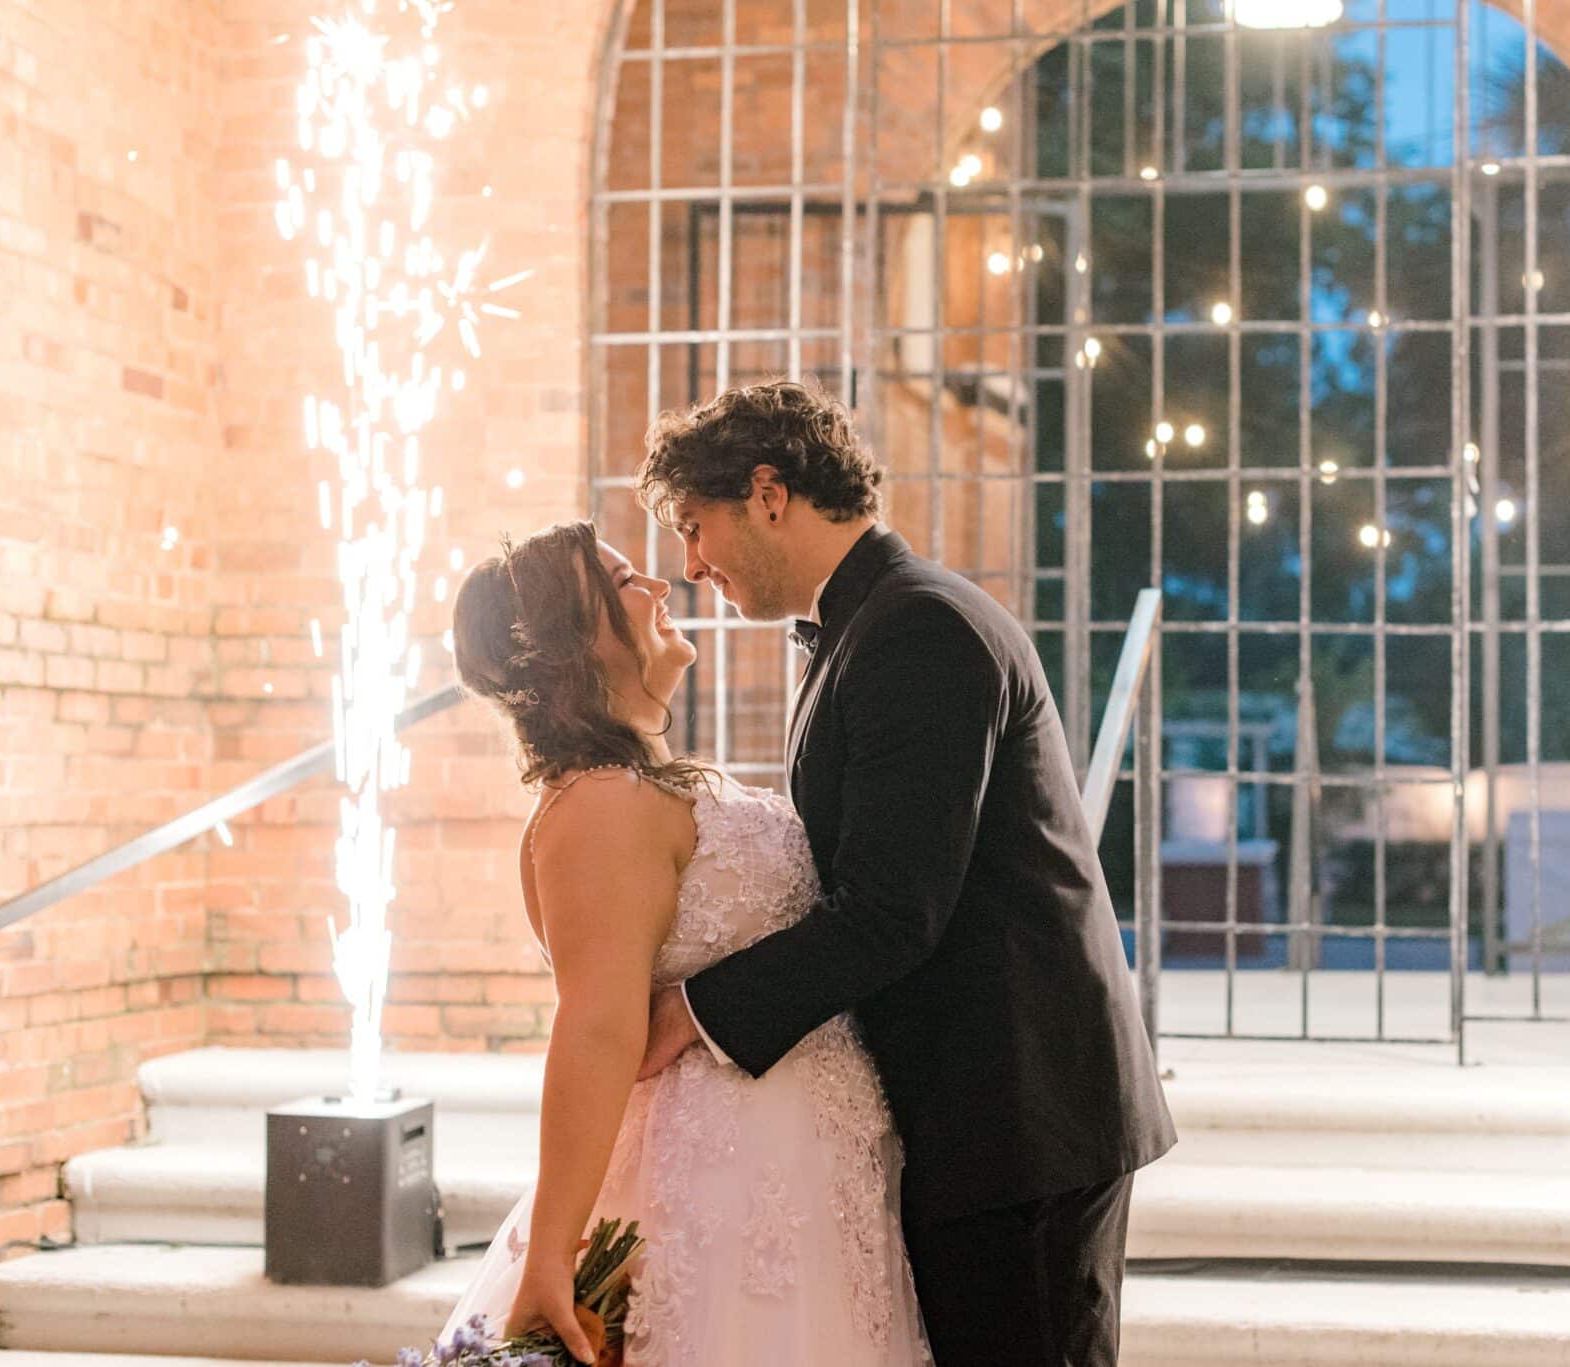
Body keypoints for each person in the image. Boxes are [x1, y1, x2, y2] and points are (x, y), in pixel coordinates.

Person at [634, 381, 1174, 1366]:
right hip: (978, 1106)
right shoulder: (871, 620)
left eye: (692, 524)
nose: (691, 562)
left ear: (767, 493)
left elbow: (890, 910)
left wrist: (692, 1010)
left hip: (1017, 1111)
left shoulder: (917, 628)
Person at [441, 518, 932, 1366]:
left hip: (800, 1166)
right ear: (575, 636)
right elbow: (597, 1028)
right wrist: (553, 1251)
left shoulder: (648, 785)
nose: (664, 587)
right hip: (725, 1186)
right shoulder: (598, 807)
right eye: (627, 579)